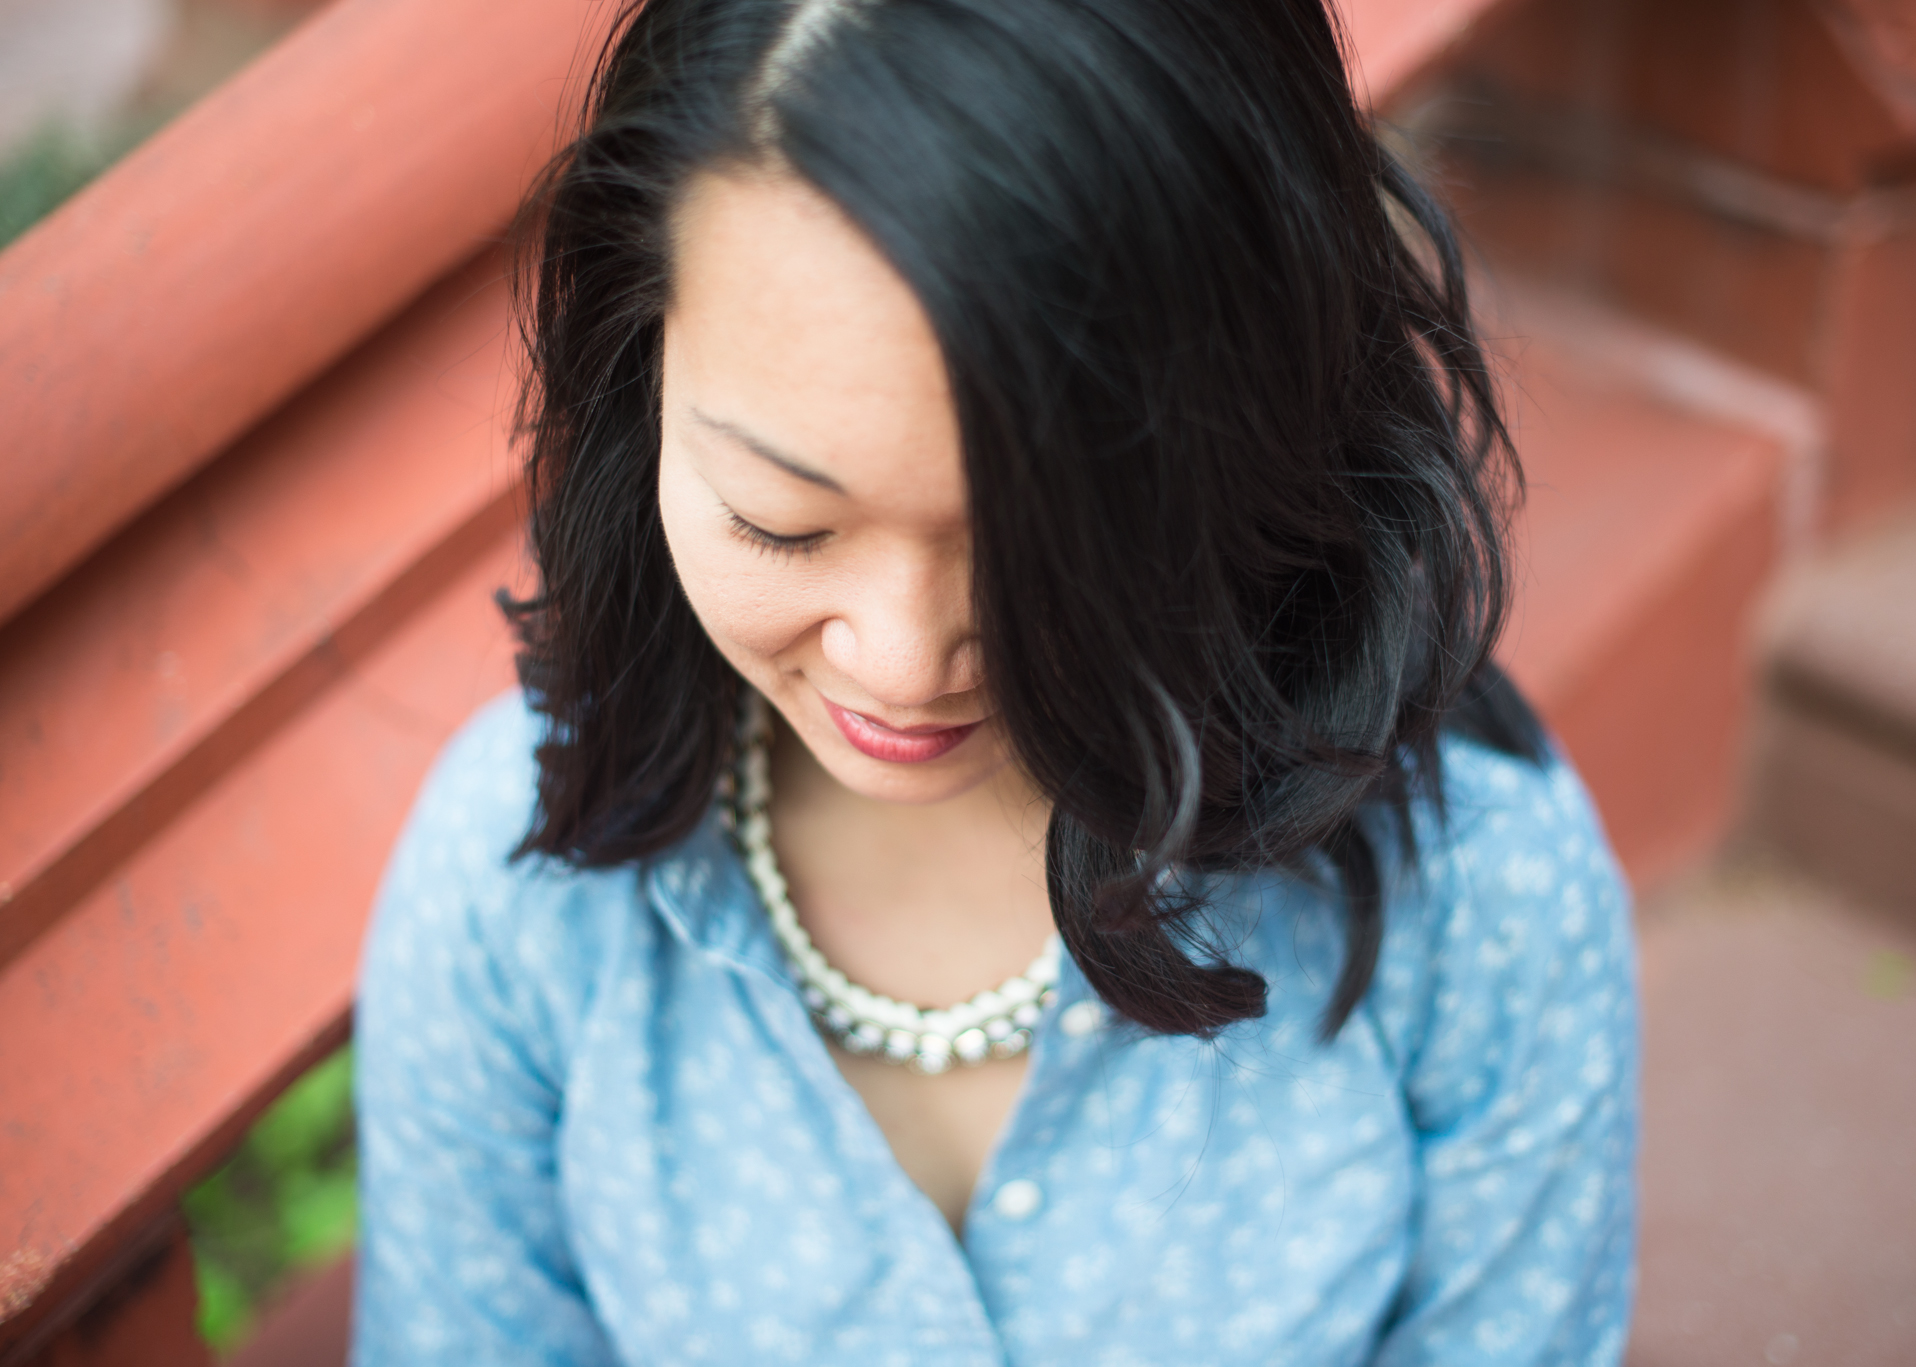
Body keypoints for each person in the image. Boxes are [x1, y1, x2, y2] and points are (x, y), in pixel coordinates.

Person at [350, 0, 1639, 1361]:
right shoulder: (518, 894)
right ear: (639, 391)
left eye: (1044, 552)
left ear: (1261, 437)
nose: (902, 662)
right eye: (782, 523)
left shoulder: (1481, 887)